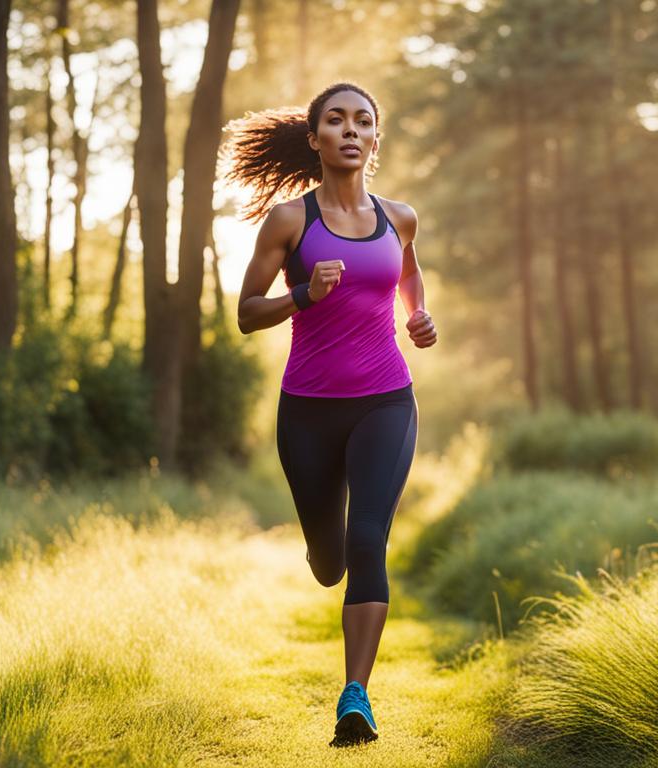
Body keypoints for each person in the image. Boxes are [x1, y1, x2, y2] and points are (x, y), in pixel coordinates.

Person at [227, 81, 438, 747]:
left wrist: (418, 318)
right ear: (315, 137)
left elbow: (407, 274)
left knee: (369, 537)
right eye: (336, 120)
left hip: (385, 401)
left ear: (376, 139)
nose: (350, 130)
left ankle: (356, 696)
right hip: (308, 412)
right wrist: (302, 294)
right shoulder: (291, 221)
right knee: (328, 558)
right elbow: (245, 314)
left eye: (363, 121)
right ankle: (328, 547)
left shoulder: (399, 216)